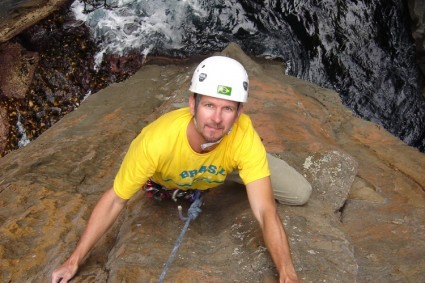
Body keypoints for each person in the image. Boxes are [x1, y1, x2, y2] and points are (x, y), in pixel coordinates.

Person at [51, 56, 312, 283]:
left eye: (227, 109)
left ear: (239, 112)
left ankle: (248, 169)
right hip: (173, 176)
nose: (217, 119)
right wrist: (74, 260)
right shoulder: (155, 142)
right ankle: (240, 170)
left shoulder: (243, 135)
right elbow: (116, 200)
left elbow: (265, 210)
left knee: (299, 193)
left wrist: (287, 274)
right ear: (192, 105)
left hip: (227, 161)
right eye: (209, 105)